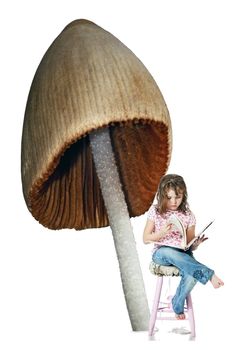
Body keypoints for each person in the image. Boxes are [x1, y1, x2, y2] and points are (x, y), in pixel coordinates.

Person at [143, 174, 224, 320]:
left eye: (178, 197)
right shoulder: (155, 211)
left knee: (191, 273)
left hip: (183, 254)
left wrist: (195, 245)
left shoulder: (188, 215)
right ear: (162, 196)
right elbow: (145, 238)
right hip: (162, 254)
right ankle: (208, 274)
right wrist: (161, 233)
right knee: (170, 252)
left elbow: (189, 245)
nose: (174, 202)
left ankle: (177, 304)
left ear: (183, 195)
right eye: (169, 198)